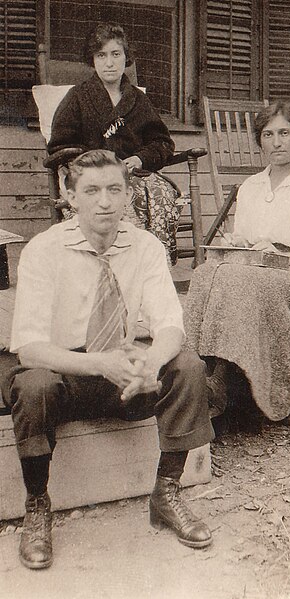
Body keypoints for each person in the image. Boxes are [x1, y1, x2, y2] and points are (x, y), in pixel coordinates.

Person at [2, 149, 213, 570]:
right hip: (69, 374)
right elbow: (28, 347)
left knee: (188, 366)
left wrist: (151, 363)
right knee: (32, 382)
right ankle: (38, 504)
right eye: (92, 191)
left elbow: (170, 324)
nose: (105, 202)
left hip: (127, 373)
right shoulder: (45, 249)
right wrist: (101, 364)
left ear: (127, 194)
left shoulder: (146, 246)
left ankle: (166, 493)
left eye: (115, 189)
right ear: (70, 195)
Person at [184, 101, 290, 424]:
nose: (276, 142)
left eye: (285, 133)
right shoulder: (251, 187)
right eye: (268, 134)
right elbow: (245, 239)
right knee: (206, 273)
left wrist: (288, 255)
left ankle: (222, 382)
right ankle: (193, 372)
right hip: (256, 271)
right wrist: (237, 243)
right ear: (260, 141)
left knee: (240, 281)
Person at [48, 22, 180, 265]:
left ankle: (152, 269)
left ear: (126, 57)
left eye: (115, 54)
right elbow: (59, 147)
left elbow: (161, 142)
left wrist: (140, 158)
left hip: (134, 174)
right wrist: (96, 166)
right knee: (119, 197)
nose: (109, 62)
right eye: (101, 55)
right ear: (93, 60)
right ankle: (116, 268)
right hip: (92, 177)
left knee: (161, 192)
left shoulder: (138, 100)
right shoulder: (77, 97)